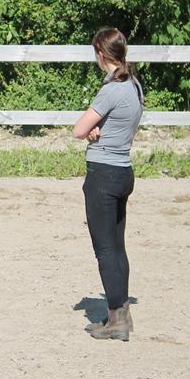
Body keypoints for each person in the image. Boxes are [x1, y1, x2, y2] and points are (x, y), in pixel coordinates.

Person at [72, 27, 144, 341]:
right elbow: (113, 124)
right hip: (124, 169)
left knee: (104, 250)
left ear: (101, 54)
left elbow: (78, 129)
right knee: (117, 246)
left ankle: (117, 319)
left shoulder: (111, 89)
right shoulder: (135, 86)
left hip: (103, 173)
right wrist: (96, 129)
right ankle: (119, 313)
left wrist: (89, 129)